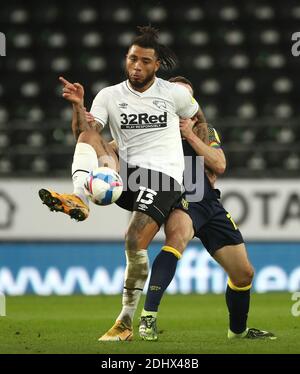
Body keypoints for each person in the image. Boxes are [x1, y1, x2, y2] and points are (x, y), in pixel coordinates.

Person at [38, 27, 207, 341]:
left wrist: (201, 159)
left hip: (163, 177)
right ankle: (78, 199)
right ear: (126, 60)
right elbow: (83, 134)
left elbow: (201, 118)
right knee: (91, 135)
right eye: (132, 59)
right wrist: (78, 105)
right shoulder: (109, 95)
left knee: (133, 242)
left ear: (157, 66)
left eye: (144, 61)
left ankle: (125, 323)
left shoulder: (174, 94)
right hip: (126, 175)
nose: (137, 66)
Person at [138, 76, 276, 341]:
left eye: (187, 99)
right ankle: (148, 318)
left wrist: (189, 134)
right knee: (176, 238)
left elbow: (220, 164)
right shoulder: (152, 130)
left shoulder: (203, 130)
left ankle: (238, 331)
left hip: (209, 202)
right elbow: (114, 148)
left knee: (244, 274)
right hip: (180, 196)